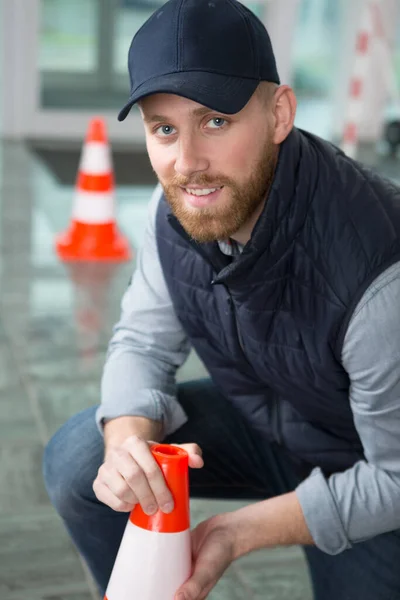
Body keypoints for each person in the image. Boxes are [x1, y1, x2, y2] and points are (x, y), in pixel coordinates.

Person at [43, 0, 400, 598]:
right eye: (164, 128)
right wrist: (128, 440)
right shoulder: (179, 213)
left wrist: (238, 533)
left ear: (280, 113)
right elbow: (141, 340)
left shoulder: (378, 275)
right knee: (84, 459)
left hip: (367, 462)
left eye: (215, 121)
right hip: (270, 422)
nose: (187, 164)